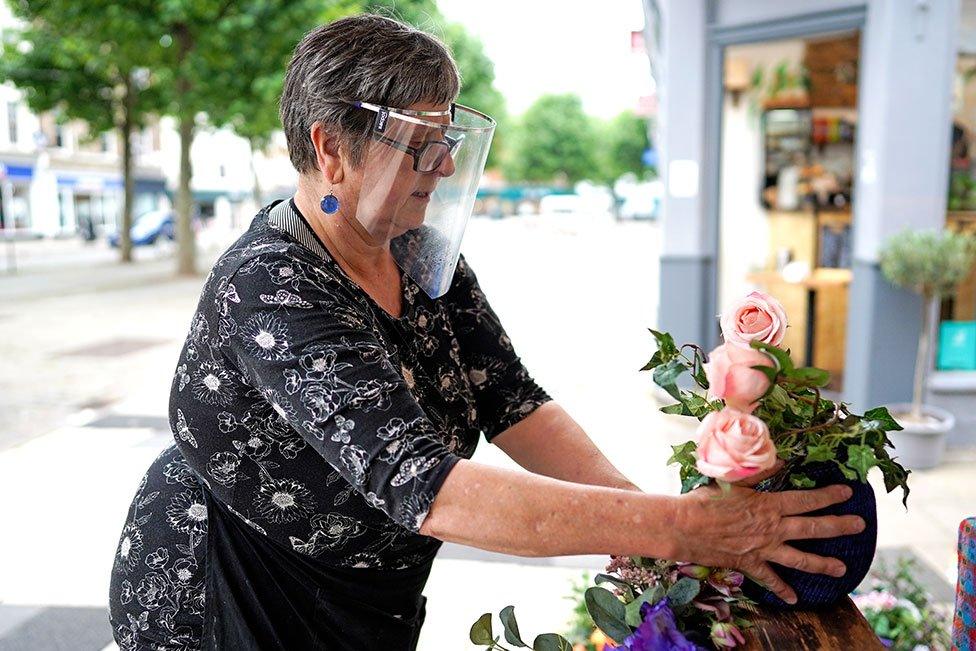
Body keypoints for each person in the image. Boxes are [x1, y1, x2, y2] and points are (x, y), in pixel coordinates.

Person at [107, 14, 863, 651]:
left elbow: (515, 404)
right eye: (418, 144)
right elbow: (426, 486)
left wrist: (646, 537)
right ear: (331, 148)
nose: (440, 165)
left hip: (362, 597)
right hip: (230, 591)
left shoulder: (418, 254)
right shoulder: (270, 285)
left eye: (448, 140)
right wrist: (682, 530)